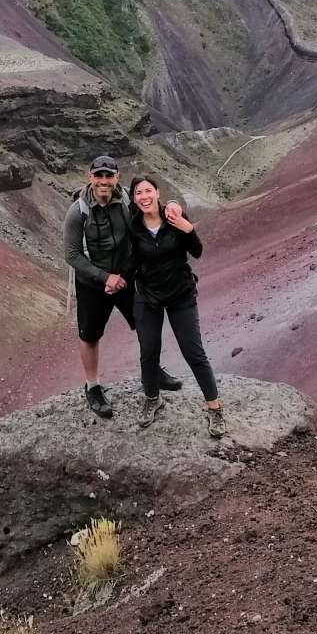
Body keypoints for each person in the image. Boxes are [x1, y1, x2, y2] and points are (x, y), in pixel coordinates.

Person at [64, 156, 181, 418]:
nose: (104, 181)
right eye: (99, 176)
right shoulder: (78, 211)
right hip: (92, 284)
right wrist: (105, 278)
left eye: (109, 176)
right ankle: (92, 387)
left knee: (143, 323)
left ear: (117, 177)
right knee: (89, 335)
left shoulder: (128, 201)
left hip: (126, 278)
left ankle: (152, 371)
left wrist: (172, 204)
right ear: (90, 177)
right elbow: (71, 255)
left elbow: (154, 210)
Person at [128, 177, 226, 438]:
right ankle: (152, 398)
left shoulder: (173, 216)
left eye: (148, 190)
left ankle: (214, 408)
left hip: (181, 295)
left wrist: (188, 228)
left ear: (158, 193)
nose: (144, 196)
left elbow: (197, 251)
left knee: (193, 352)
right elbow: (127, 261)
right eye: (138, 192)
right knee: (148, 351)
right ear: (134, 199)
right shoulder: (132, 226)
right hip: (147, 296)